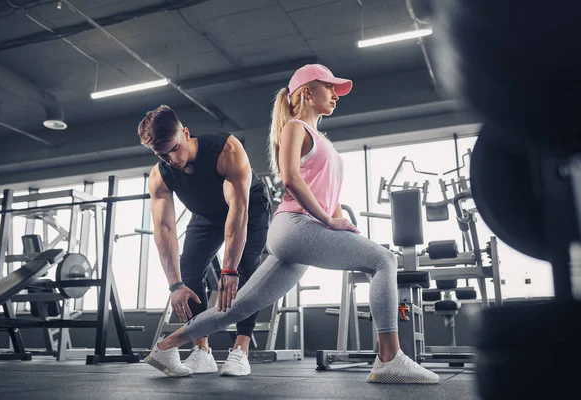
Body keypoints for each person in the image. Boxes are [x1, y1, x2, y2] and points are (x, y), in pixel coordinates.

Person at [144, 64, 440, 384]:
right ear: (307, 92)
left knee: (238, 305)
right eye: (329, 88)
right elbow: (291, 178)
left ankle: (166, 346)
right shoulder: (295, 128)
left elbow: (328, 195)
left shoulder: (321, 138)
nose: (335, 95)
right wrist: (327, 219)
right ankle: (389, 359)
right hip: (295, 226)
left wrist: (340, 223)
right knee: (385, 259)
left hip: (301, 232)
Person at [138, 105, 271, 376]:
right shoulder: (159, 176)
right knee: (188, 272)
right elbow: (164, 229)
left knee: (247, 269)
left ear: (185, 133)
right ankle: (202, 351)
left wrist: (229, 269)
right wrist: (174, 285)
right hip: (206, 215)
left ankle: (241, 350)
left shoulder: (226, 150)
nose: (171, 159)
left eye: (175, 148)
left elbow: (238, 212)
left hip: (249, 208)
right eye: (161, 154)